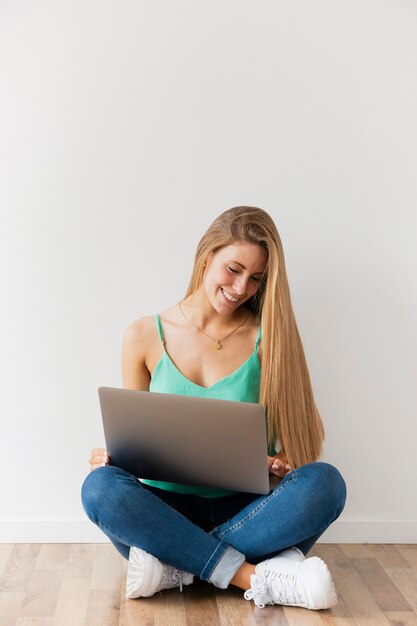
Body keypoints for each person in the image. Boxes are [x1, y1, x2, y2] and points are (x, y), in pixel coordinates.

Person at [81, 206, 347, 611]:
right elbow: (133, 444)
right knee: (99, 489)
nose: (242, 287)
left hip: (247, 511)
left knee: (326, 483)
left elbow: (304, 437)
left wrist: (278, 464)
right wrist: (112, 458)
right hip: (163, 510)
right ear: (207, 256)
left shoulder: (269, 339)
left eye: (256, 278)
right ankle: (252, 576)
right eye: (234, 269)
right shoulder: (143, 336)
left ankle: (177, 568)